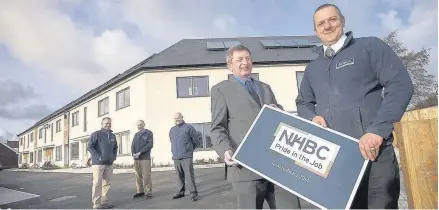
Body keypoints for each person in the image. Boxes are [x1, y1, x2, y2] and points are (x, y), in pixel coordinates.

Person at [296, 4, 414, 209]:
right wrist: (312, 117)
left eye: (332, 19)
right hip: (336, 160)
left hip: (373, 153)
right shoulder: (312, 68)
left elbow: (400, 85)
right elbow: (303, 102)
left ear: (342, 21)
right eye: (320, 23)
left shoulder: (369, 47)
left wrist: (377, 131)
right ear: (315, 31)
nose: (327, 26)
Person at [210, 44, 301, 209]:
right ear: (230, 65)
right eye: (239, 59)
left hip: (276, 165)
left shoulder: (265, 87)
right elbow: (217, 127)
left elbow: (278, 118)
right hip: (245, 167)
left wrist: (278, 110)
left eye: (248, 58)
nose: (245, 62)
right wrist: (225, 150)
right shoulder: (221, 90)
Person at [87, 117, 118, 209]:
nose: (108, 125)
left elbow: (115, 148)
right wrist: (98, 156)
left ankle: (104, 202)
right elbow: (90, 147)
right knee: (97, 183)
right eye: (106, 123)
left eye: (109, 123)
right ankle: (96, 204)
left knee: (107, 183)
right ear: (102, 124)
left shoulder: (112, 136)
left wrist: (113, 157)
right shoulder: (96, 134)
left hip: (109, 163)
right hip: (98, 164)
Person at [169, 112, 199, 202]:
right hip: (176, 157)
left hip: (186, 156)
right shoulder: (172, 129)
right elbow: (171, 140)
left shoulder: (189, 127)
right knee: (179, 175)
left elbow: (196, 140)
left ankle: (193, 193)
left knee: (189, 175)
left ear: (182, 117)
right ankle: (181, 192)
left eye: (178, 118)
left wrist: (189, 150)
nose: (177, 119)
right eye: (175, 118)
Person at [131, 120, 154, 199]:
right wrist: (133, 153)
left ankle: (148, 192)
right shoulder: (136, 134)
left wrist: (140, 152)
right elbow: (133, 145)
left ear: (144, 124)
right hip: (136, 158)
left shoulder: (149, 133)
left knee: (146, 175)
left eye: (140, 125)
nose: (139, 126)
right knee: (138, 175)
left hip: (145, 158)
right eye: (138, 125)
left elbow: (149, 145)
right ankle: (140, 191)